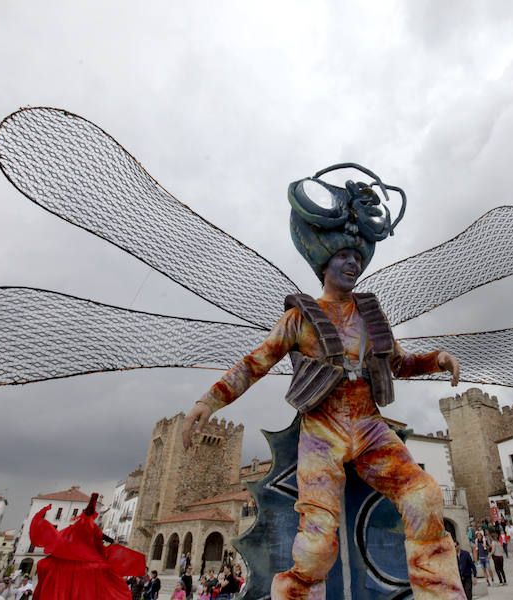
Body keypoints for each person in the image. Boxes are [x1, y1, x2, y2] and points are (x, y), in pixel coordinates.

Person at [182, 177, 466, 600]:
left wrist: (434, 360)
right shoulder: (299, 318)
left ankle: (439, 593)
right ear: (324, 262)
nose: (351, 263)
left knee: (424, 495)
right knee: (315, 543)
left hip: (370, 428)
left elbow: (398, 363)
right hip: (322, 434)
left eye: (357, 256)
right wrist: (209, 400)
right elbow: (254, 363)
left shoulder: (373, 316)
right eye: (342, 256)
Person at [452, 534, 476, 600]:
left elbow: (472, 565)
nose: (454, 548)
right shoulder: (453, 556)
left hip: (467, 577)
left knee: (468, 594)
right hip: (459, 579)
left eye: (455, 546)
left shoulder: (466, 554)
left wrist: (475, 577)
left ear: (458, 546)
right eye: (453, 547)